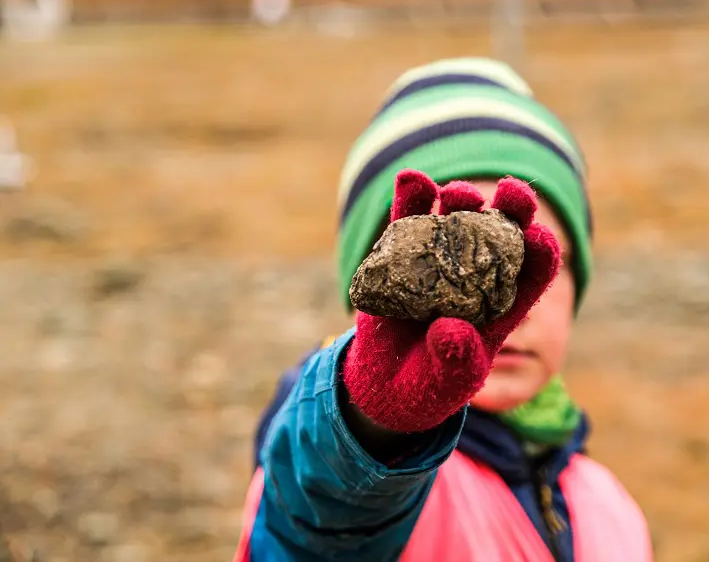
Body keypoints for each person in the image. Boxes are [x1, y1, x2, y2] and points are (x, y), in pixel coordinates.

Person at [234, 57, 652, 562]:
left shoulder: (607, 504)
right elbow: (321, 527)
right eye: (441, 263)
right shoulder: (372, 468)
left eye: (538, 266)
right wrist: (374, 427)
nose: (509, 312)